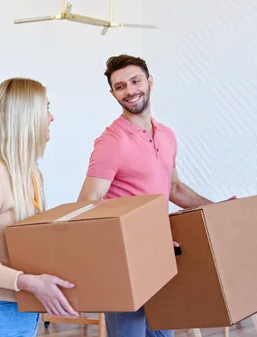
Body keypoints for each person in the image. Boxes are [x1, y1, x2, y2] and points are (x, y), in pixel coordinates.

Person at [77, 54, 235, 337]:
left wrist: (216, 209)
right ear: (113, 94)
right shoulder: (111, 142)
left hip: (162, 253)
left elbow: (173, 188)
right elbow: (87, 205)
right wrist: (135, 235)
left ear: (149, 82)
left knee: (163, 332)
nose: (130, 91)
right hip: (126, 258)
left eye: (135, 81)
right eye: (120, 86)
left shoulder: (167, 135)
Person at [0, 77, 79, 337]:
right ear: (26, 117)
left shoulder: (32, 173)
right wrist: (28, 282)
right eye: (46, 108)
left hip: (26, 306)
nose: (52, 117)